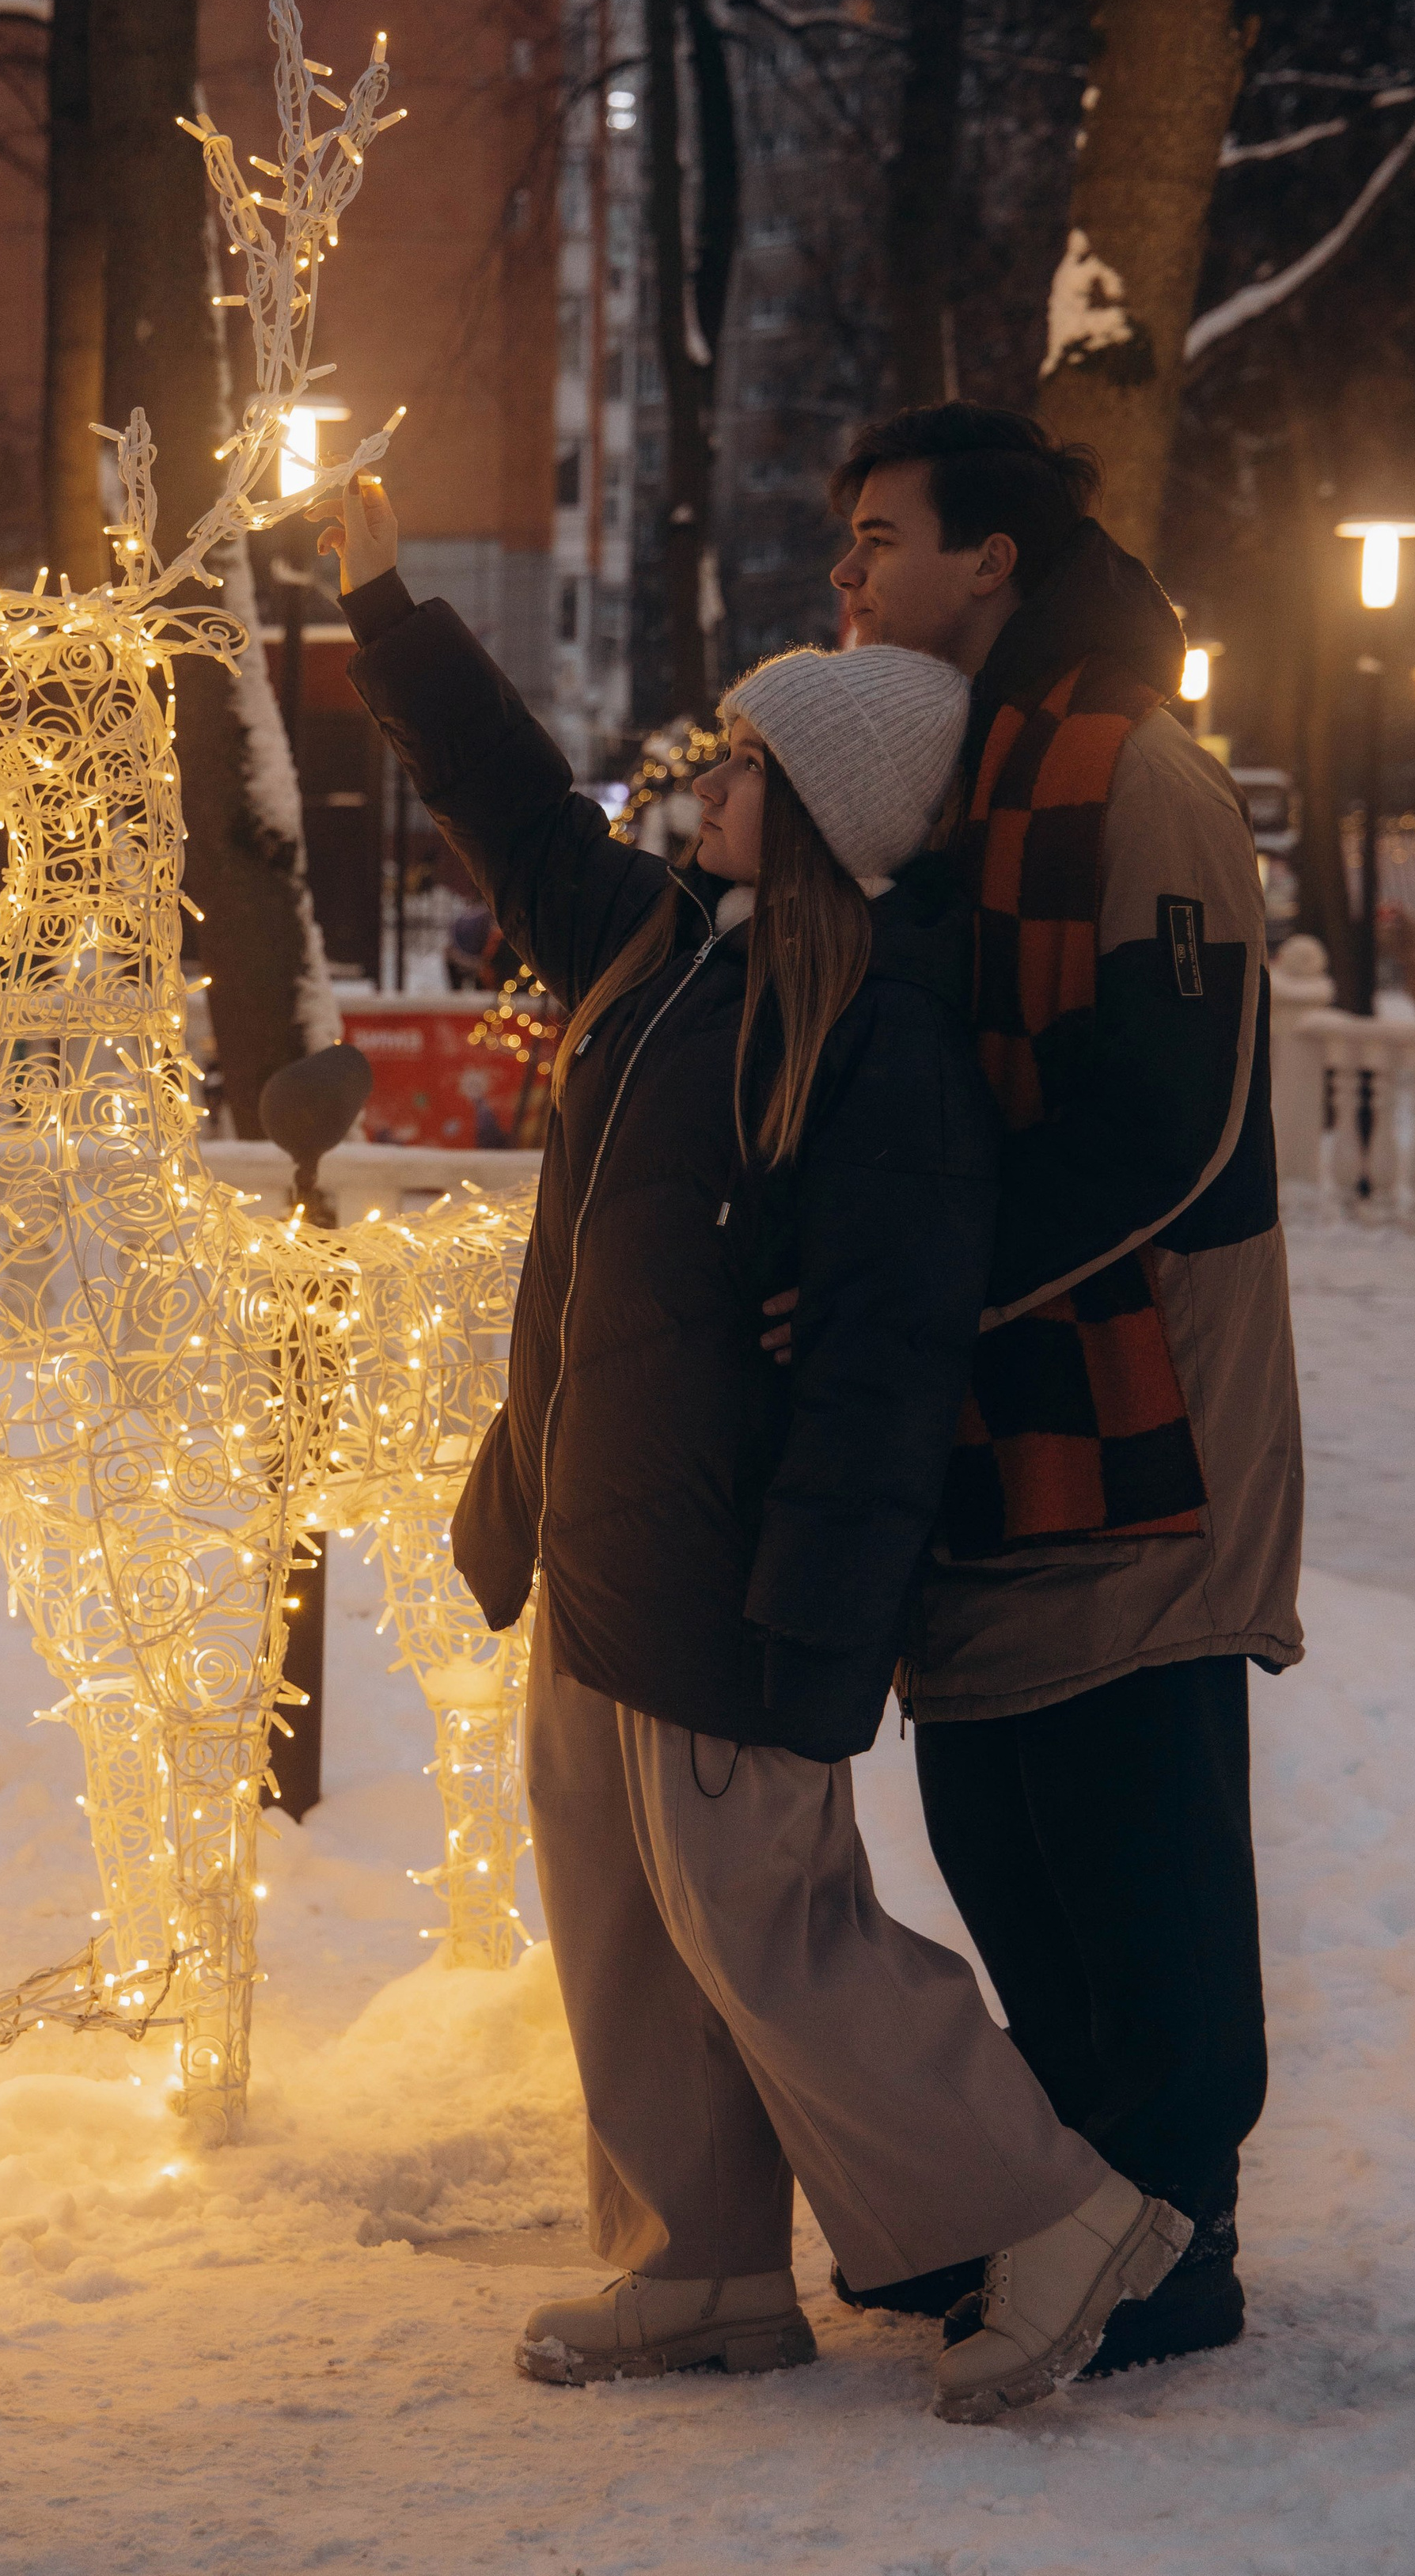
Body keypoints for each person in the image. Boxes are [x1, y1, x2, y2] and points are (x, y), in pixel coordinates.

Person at [317, 472, 1191, 2424]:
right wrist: (384, 606)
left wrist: (816, 1614)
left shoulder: (874, 1040)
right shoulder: (658, 960)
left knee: (769, 1926)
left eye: (735, 756)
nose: (700, 774)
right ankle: (698, 2263)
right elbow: (509, 806)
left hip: (735, 1573)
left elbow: (880, 1364)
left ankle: (1056, 2214)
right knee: (623, 1917)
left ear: (809, 797)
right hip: (602, 1534)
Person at [792, 402, 1302, 2377]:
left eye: (876, 539)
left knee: (1133, 1825)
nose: (846, 575)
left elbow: (1170, 1130)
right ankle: (1087, 2209)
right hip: (1008, 1417)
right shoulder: (974, 770)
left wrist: (925, 1301)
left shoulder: (1132, 773)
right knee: (1008, 1819)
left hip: (1138, 1409)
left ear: (986, 560)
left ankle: (1176, 2241)